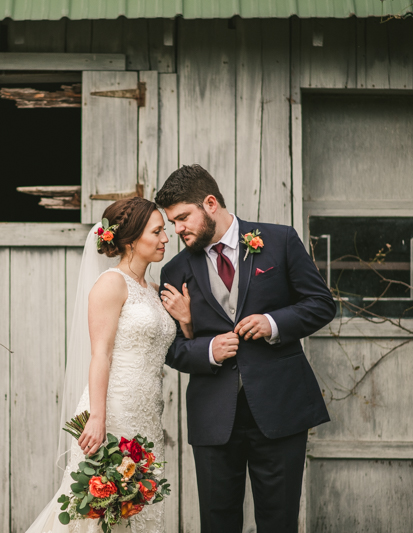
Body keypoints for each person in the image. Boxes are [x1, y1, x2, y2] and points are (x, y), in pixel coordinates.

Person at [155, 164, 336, 533]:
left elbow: (321, 303)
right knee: (217, 523)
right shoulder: (174, 271)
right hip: (213, 416)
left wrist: (273, 323)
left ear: (210, 203)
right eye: (172, 223)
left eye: (183, 218)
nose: (177, 230)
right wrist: (207, 350)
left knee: (279, 521)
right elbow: (170, 348)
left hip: (280, 408)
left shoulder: (280, 240)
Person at [25, 196, 191, 533]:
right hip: (112, 413)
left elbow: (171, 345)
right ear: (130, 239)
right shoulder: (111, 284)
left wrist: (186, 322)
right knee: (98, 514)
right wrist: (97, 418)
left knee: (137, 512)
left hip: (147, 417)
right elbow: (101, 353)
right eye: (157, 231)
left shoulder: (154, 290)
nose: (165, 238)